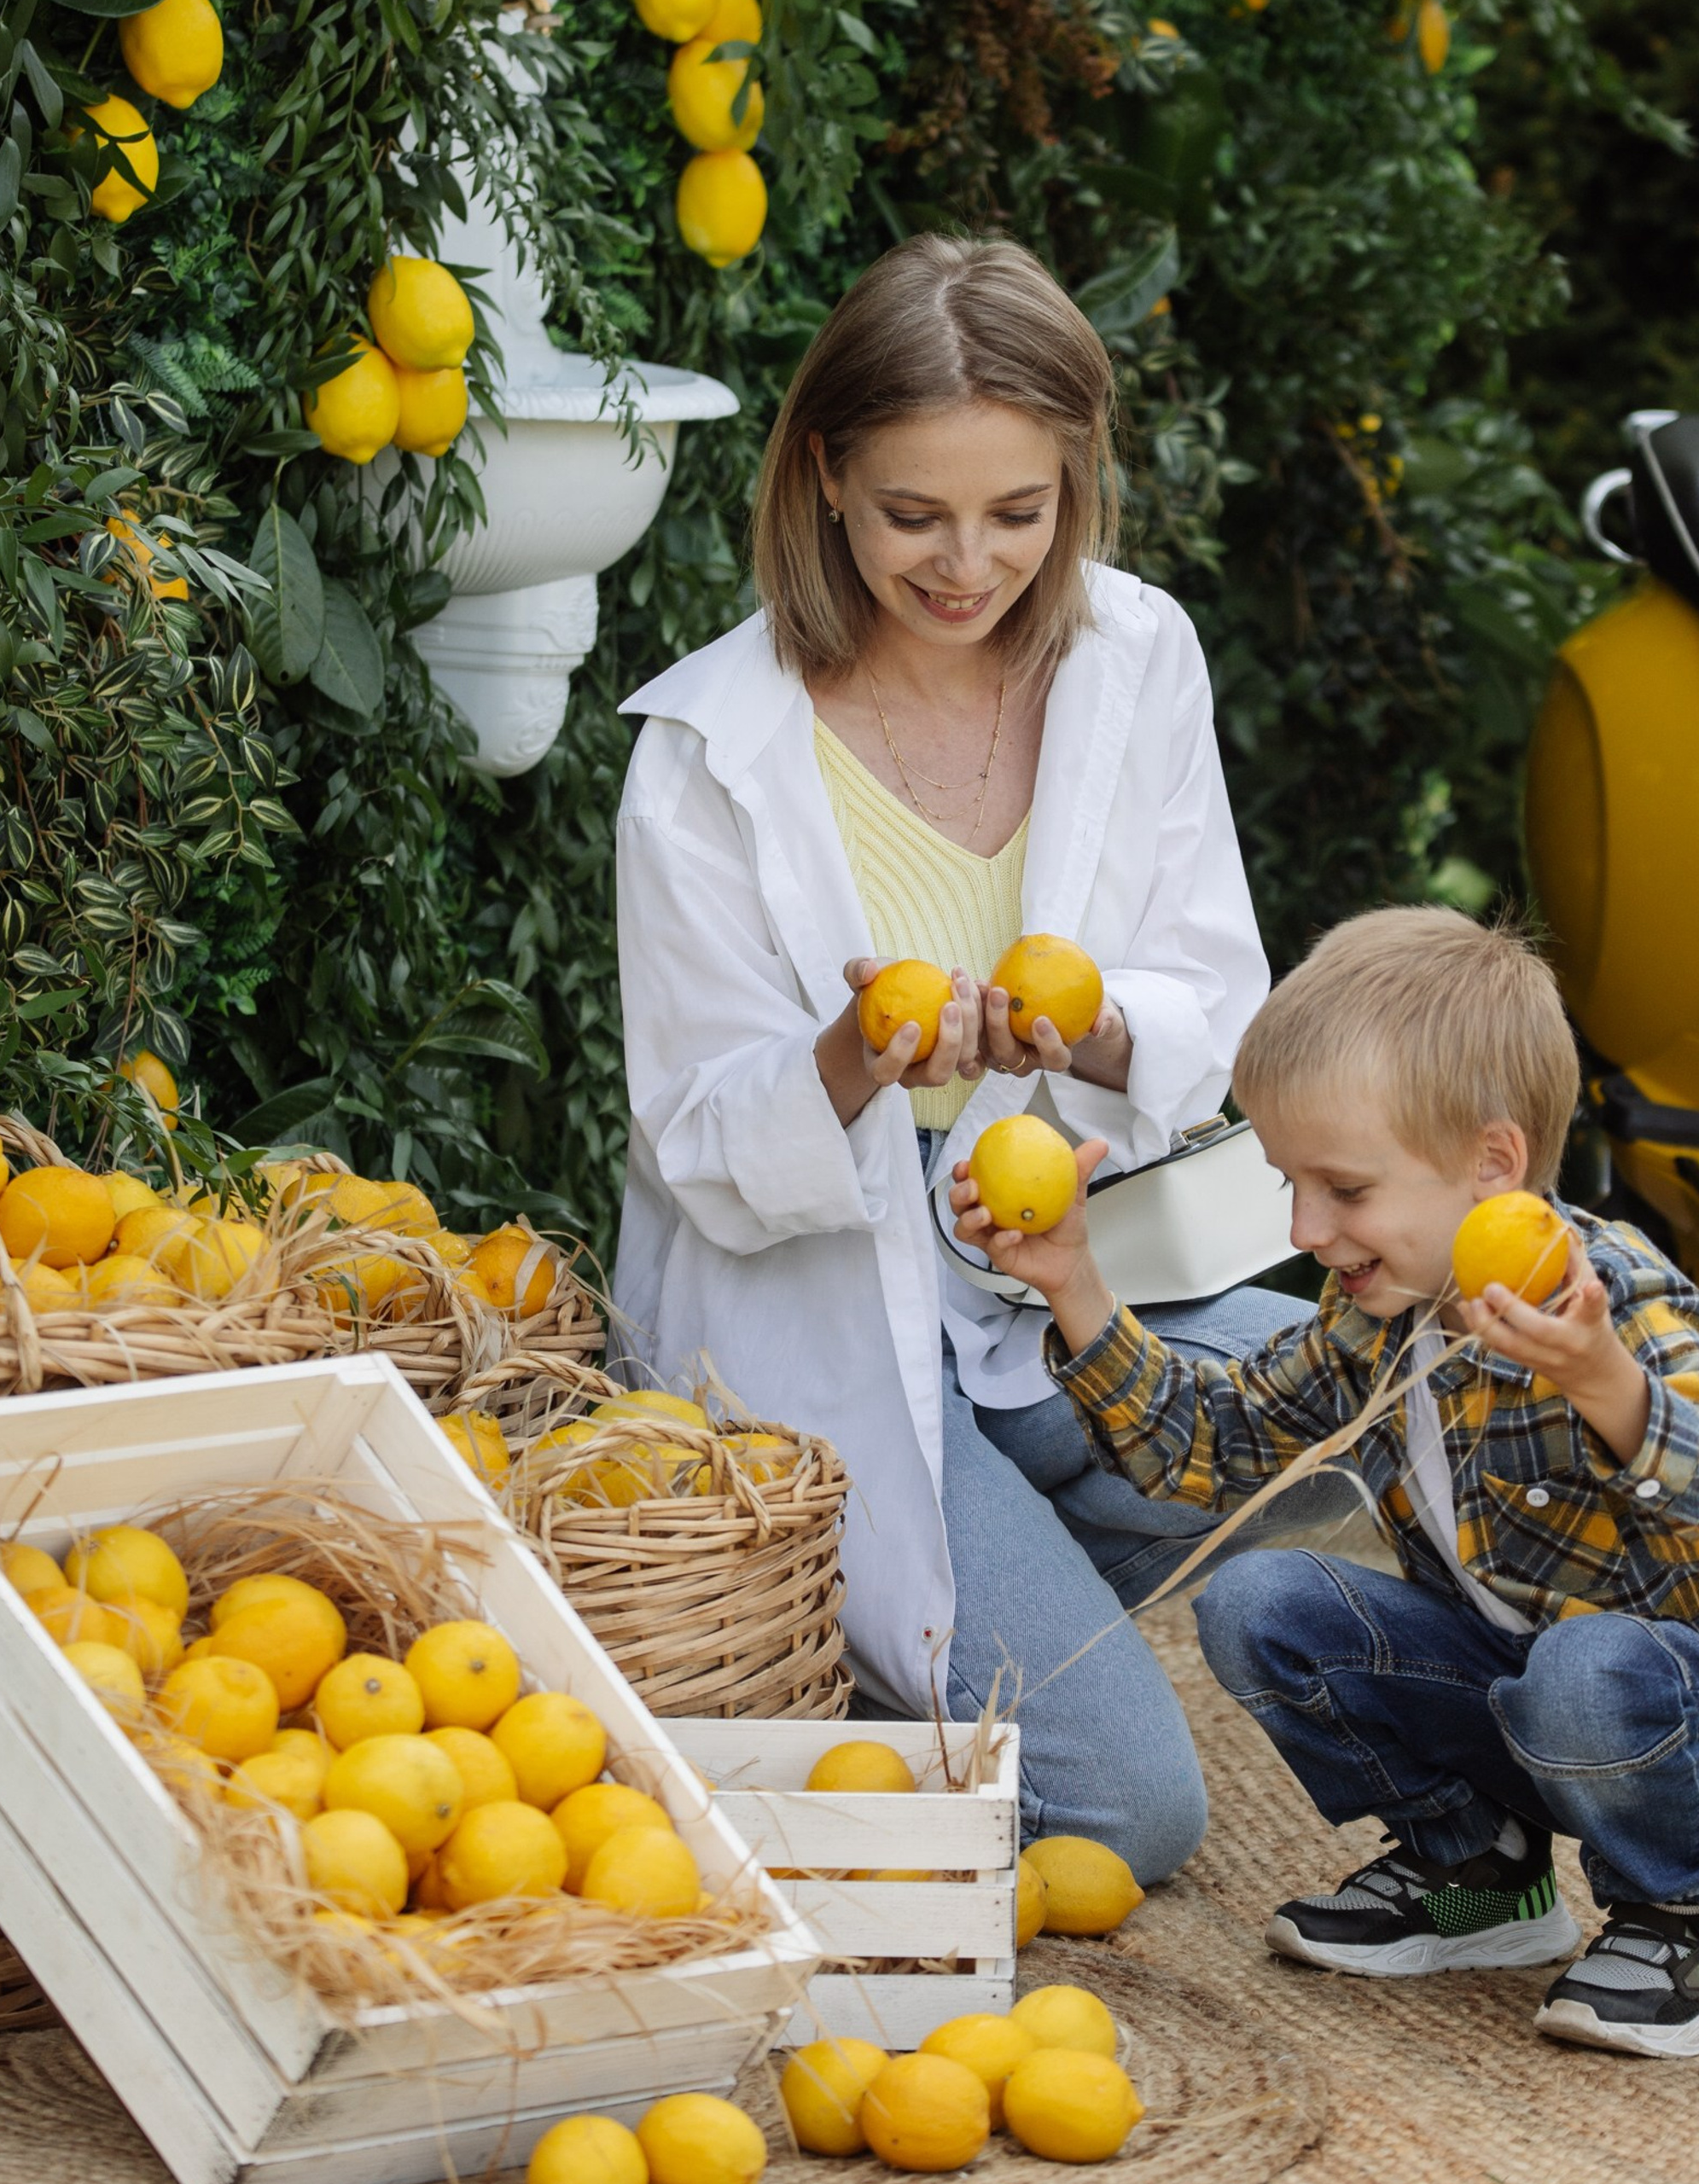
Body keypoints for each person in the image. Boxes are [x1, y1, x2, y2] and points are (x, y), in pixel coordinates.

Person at [611, 233, 1325, 1882]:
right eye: (914, 514)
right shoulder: (710, 756)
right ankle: (900, 1597)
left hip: (1050, 1256)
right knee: (1137, 1814)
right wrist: (859, 1056)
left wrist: (1094, 1026)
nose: (968, 563)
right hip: (825, 1296)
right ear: (824, 478)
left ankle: (945, 1594)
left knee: (1323, 1388)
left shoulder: (1134, 657)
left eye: (1021, 512)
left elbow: (1215, 988)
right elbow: (701, 1141)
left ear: (1078, 484)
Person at [952, 905, 1699, 2057]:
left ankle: (1695, 1915)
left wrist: (1603, 1384)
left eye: (1343, 1190)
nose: (1305, 1226)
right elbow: (1206, 1447)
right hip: (1534, 1693)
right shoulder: (1376, 1317)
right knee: (1262, 1606)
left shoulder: (1615, 1300)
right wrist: (1074, 1282)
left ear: (1492, 1165)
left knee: (1589, 1672)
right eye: (1290, 1183)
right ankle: (1481, 1873)